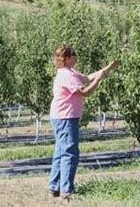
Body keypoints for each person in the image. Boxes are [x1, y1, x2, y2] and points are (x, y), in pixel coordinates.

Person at [48, 44, 118, 199]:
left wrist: (108, 68)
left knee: (61, 151)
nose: (76, 56)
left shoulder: (68, 72)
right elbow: (85, 91)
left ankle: (54, 186)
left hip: (61, 116)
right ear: (66, 58)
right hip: (66, 117)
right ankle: (66, 190)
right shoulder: (67, 75)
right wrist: (99, 81)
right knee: (70, 153)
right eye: (73, 54)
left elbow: (88, 78)